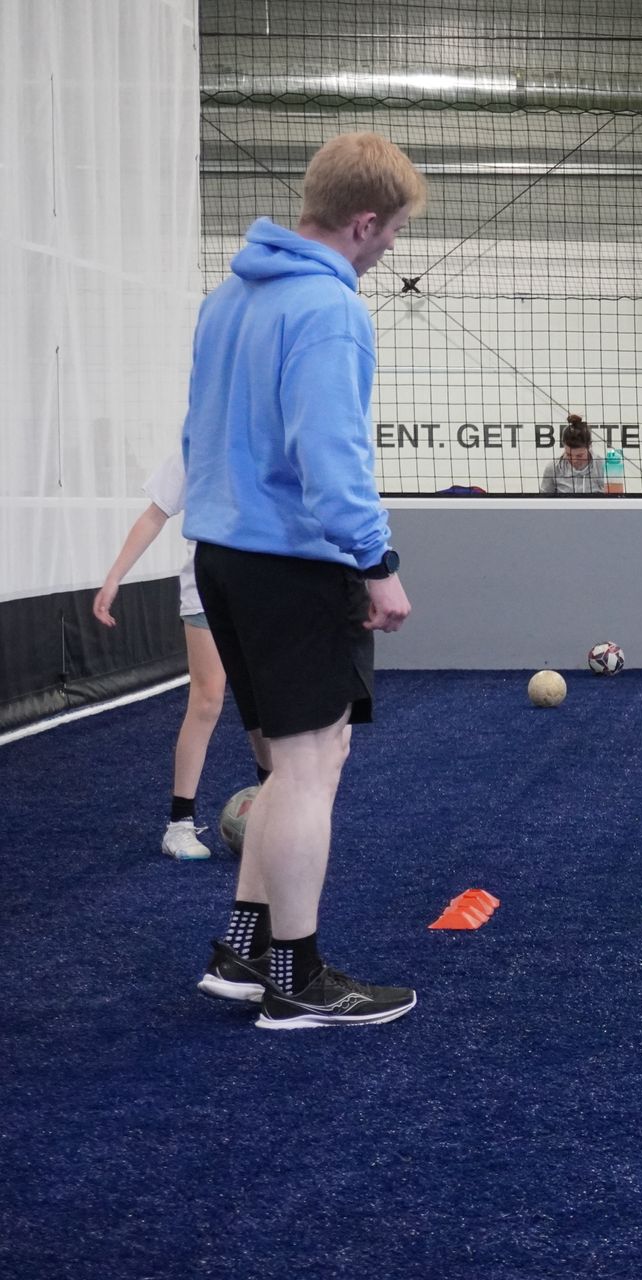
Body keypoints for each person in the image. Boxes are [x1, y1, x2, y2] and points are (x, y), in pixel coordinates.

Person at [182, 132, 426, 1030]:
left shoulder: (226, 299)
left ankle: (245, 954)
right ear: (364, 222)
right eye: (394, 229)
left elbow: (193, 436)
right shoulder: (329, 310)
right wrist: (376, 562)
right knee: (309, 766)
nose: (394, 245)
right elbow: (330, 452)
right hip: (294, 562)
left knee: (298, 763)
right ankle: (300, 978)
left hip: (224, 557)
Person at [93, 448, 273, 860]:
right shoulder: (196, 446)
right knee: (207, 699)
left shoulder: (271, 442)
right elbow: (155, 513)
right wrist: (114, 578)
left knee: (260, 702)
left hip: (264, 595)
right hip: (207, 592)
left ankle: (273, 798)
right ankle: (179, 824)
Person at [541, 414, 606, 494]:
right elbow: (543, 503)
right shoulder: (553, 468)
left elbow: (614, 502)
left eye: (579, 455)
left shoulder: (603, 467)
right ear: (563, 445)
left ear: (589, 446)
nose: (574, 460)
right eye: (569, 454)